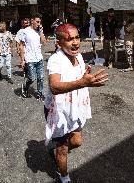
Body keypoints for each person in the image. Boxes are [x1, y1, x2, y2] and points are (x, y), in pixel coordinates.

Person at [44, 23, 108, 183]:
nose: (75, 42)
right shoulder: (55, 60)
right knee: (63, 148)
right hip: (58, 110)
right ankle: (64, 176)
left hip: (75, 107)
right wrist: (82, 82)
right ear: (59, 43)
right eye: (69, 39)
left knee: (76, 141)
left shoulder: (78, 56)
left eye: (77, 37)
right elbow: (54, 87)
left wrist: (85, 77)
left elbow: (78, 78)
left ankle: (56, 152)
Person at [19, 13, 47, 100]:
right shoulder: (25, 31)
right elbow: (21, 46)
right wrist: (22, 60)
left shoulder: (39, 31)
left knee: (41, 78)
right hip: (30, 59)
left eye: (40, 22)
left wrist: (41, 32)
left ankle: (40, 93)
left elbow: (44, 43)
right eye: (37, 22)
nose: (39, 24)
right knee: (32, 78)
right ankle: (25, 86)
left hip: (39, 59)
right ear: (32, 21)